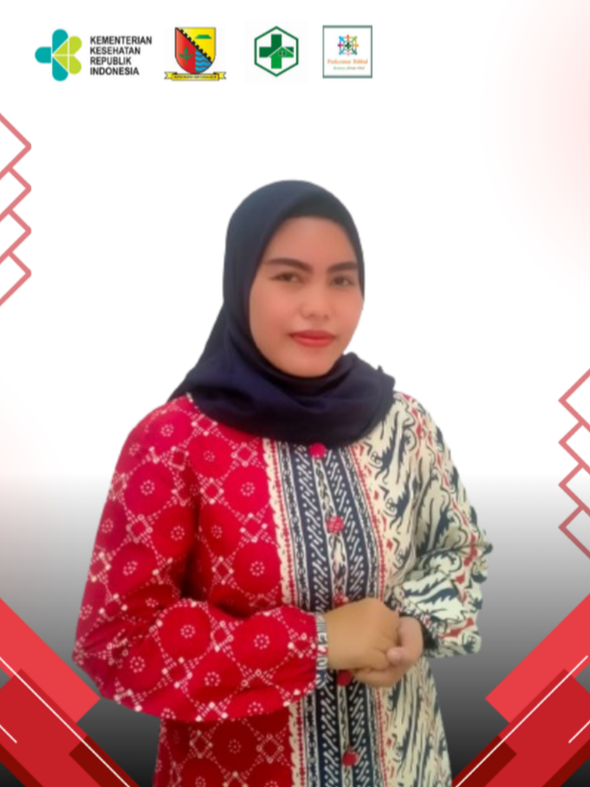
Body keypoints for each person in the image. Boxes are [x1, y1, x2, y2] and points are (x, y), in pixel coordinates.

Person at [72, 180, 492, 787]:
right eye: (289, 277)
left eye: (342, 280)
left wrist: (415, 624)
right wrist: (316, 643)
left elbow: (460, 549)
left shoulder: (405, 425)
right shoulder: (173, 442)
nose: (319, 306)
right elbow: (117, 641)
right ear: (241, 282)